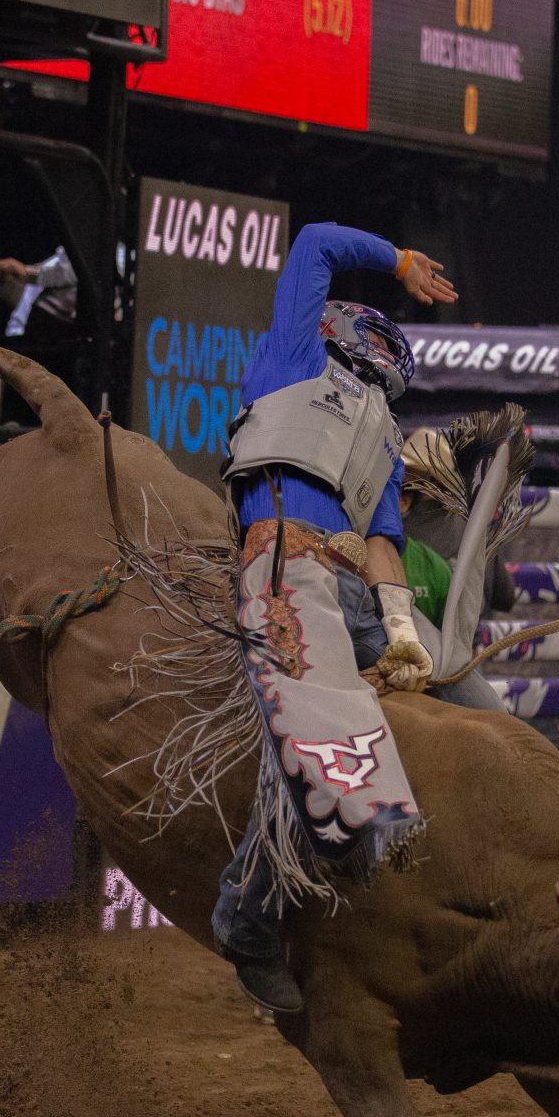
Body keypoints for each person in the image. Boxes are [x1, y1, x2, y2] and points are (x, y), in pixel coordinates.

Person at [212, 222, 477, 1016]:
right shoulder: (294, 356)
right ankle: (247, 917)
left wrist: (403, 634)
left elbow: (386, 542)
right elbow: (315, 245)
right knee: (326, 754)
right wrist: (399, 259)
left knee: (479, 709)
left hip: (358, 588)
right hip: (286, 566)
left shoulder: (384, 443)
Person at [398, 428, 516, 627]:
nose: (403, 479)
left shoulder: (400, 530)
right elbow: (505, 597)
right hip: (463, 644)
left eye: (411, 473)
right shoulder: (475, 528)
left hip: (414, 640)